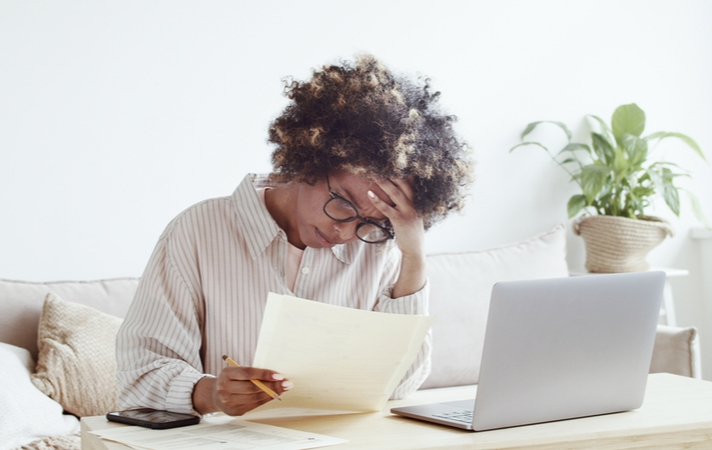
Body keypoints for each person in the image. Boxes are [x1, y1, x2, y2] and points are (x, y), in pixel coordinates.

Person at [115, 53, 473, 417]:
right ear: (309, 162)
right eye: (343, 204)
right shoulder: (198, 231)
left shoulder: (378, 248)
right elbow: (140, 374)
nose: (346, 231)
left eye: (371, 221)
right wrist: (211, 393)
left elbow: (399, 386)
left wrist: (413, 257)